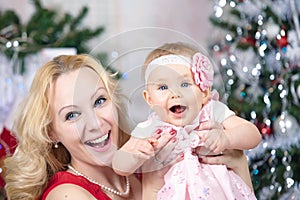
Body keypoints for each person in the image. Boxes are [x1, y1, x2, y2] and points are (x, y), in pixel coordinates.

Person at [4, 54, 256, 200]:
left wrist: (239, 165)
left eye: (99, 101)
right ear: (51, 132)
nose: (94, 123)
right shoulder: (68, 195)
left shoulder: (140, 157)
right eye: (71, 115)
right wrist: (152, 185)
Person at [112, 42, 261, 199]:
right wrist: (135, 154)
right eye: (163, 87)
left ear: (204, 92)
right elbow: (119, 164)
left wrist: (226, 138)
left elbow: (252, 134)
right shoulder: (150, 128)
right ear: (149, 99)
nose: (175, 94)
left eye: (184, 84)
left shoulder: (211, 112)